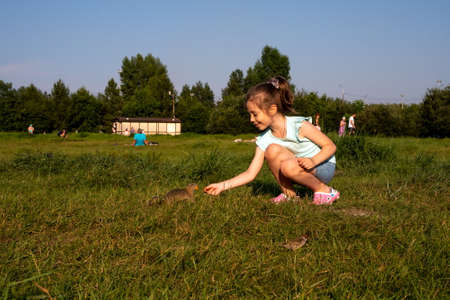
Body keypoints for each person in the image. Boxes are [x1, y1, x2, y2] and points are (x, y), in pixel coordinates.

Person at [204, 76, 339, 205]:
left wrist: (313, 161)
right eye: (250, 115)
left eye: (255, 114)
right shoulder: (265, 139)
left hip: (323, 165)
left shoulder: (299, 126)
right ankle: (289, 196)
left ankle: (325, 191)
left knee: (287, 166)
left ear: (272, 109)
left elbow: (330, 146)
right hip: (297, 168)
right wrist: (222, 186)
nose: (251, 120)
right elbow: (250, 173)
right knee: (272, 150)